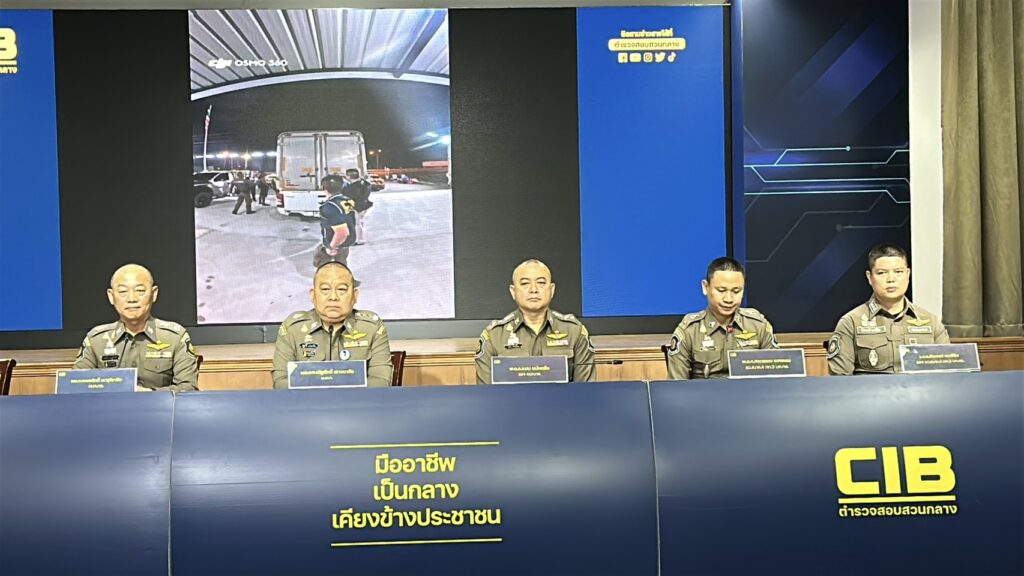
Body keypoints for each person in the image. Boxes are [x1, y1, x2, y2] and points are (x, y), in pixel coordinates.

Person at [828, 243, 950, 375]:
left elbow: (948, 372)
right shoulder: (851, 322)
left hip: (920, 388)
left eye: (898, 272)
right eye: (882, 273)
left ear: (908, 274)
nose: (891, 279)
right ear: (870, 277)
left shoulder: (930, 322)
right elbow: (840, 378)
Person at [73, 263, 198, 391]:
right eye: (123, 292)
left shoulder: (174, 337)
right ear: (111, 296)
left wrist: (147, 395)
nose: (132, 299)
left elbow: (188, 388)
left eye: (140, 291)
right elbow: (75, 387)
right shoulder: (96, 340)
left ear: (154, 293)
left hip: (158, 404)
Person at [272, 262, 392, 388]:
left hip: (357, 401)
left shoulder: (371, 328)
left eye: (341, 289)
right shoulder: (293, 329)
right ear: (312, 295)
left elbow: (380, 382)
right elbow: (281, 382)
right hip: (308, 401)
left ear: (355, 296)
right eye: (325, 289)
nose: (333, 297)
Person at [475, 259, 595, 384]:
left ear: (552, 289)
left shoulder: (574, 332)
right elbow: (486, 393)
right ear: (513, 291)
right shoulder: (494, 336)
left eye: (541, 282)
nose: (533, 289)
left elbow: (585, 390)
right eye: (525, 283)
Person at [665, 257, 778, 380]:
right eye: (721, 290)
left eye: (736, 291)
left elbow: (778, 379)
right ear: (705, 287)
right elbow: (676, 386)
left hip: (750, 391)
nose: (728, 299)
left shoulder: (759, 326)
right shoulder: (689, 331)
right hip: (704, 392)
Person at [313, 174, 357, 269]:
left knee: (321, 263)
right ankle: (344, 277)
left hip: (336, 242)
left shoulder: (329, 207)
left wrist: (331, 247)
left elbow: (342, 232)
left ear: (325, 189)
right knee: (341, 264)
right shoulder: (347, 200)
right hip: (347, 242)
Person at [344, 168, 373, 245]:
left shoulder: (352, 188)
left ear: (349, 176)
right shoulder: (364, 184)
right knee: (360, 222)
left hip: (357, 207)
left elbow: (348, 197)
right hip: (364, 205)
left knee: (357, 223)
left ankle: (358, 239)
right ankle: (360, 238)